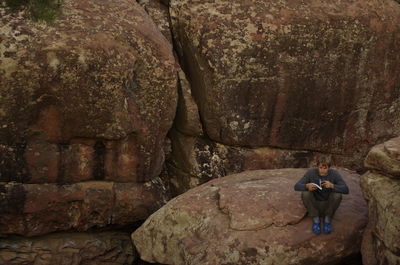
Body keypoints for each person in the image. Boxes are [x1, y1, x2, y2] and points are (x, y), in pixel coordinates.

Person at [294, 158, 349, 234]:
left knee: (337, 195)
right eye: (320, 168)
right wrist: (306, 186)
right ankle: (316, 219)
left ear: (329, 168)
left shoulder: (334, 174)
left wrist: (332, 186)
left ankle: (327, 219)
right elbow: (296, 186)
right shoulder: (311, 173)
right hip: (315, 204)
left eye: (325, 168)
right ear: (317, 167)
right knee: (305, 193)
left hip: (328, 205)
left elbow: (346, 189)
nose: (322, 170)